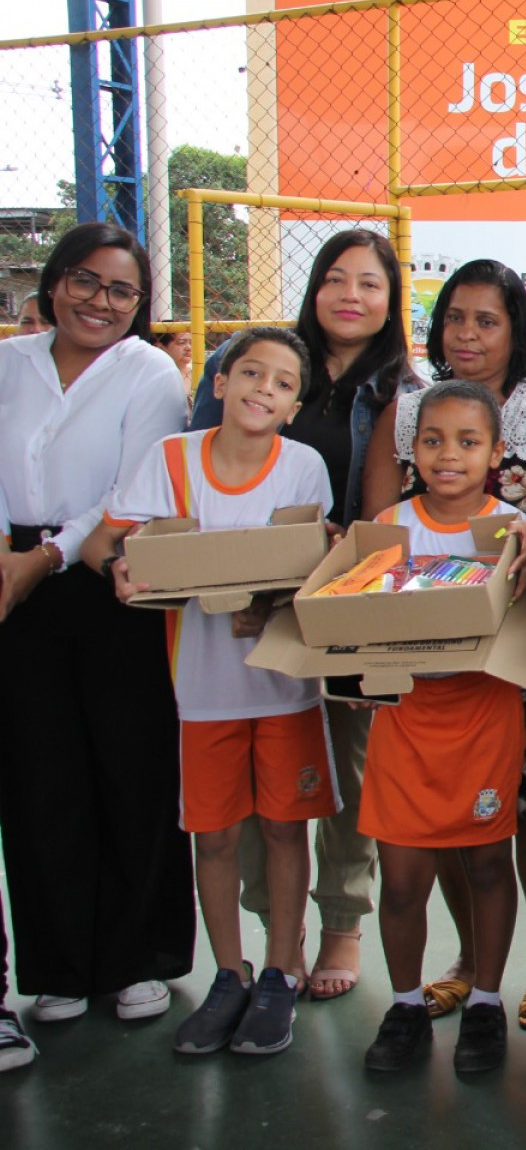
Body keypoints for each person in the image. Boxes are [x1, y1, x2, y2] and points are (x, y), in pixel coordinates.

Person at [84, 327, 336, 1056]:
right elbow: (111, 541)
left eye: (284, 381)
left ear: (295, 404)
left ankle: (282, 970)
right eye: (250, 371)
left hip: (284, 689)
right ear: (218, 383)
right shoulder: (172, 459)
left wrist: (273, 602)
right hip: (203, 689)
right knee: (217, 834)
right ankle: (230, 972)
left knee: (288, 829)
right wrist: (121, 571)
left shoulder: (304, 467)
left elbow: (311, 566)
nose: (265, 387)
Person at [190, 227, 421, 1002]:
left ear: (391, 302)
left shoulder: (403, 389)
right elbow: (206, 472)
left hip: (353, 597)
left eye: (370, 283)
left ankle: (342, 924)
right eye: (335, 278)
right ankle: (272, 936)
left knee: (350, 767)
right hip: (251, 603)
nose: (350, 295)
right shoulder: (259, 365)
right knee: (261, 771)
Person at [362, 258, 526, 1030]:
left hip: (519, 644)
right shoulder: (408, 408)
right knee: (448, 813)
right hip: (422, 648)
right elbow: (373, 533)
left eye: (487, 319)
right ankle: (466, 958)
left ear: (516, 328)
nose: (467, 333)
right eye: (455, 317)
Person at [0, 222, 192, 1036]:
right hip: (10, 581)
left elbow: (135, 487)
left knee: (130, 765)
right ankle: (60, 966)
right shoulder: (9, 361)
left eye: (121, 290)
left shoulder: (148, 372)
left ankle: (136, 958)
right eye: (85, 281)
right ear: (53, 283)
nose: (100, 301)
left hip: (107, 573)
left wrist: (44, 557)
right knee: (37, 775)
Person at [358, 381, 526, 1076]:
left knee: (490, 863)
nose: (448, 455)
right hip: (405, 722)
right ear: (411, 448)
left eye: (468, 442)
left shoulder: (514, 529)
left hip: (482, 717)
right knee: (402, 878)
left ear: (498, 452)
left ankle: (487, 1003)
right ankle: (406, 1005)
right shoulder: (388, 524)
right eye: (433, 439)